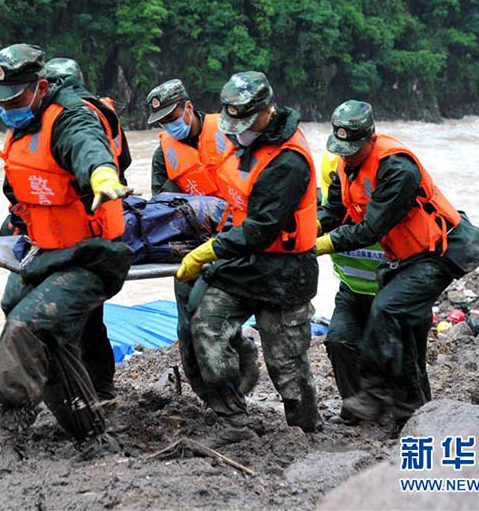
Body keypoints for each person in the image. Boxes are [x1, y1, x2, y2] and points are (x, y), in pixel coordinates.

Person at [0, 44, 134, 444]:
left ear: (40, 87)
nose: (6, 107)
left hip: (92, 254)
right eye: (1, 100)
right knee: (13, 305)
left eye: (13, 98)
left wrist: (101, 176)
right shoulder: (25, 122)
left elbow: (90, 149)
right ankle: (87, 422)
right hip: (47, 250)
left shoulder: (71, 119)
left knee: (26, 326)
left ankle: (11, 430)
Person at [316, 100, 479, 422]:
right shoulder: (342, 164)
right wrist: (310, 229)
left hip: (437, 252)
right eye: (341, 148)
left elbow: (371, 228)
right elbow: (335, 211)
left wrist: (321, 244)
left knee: (389, 310)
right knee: (378, 329)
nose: (347, 155)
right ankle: (392, 407)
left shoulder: (398, 168)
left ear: (371, 138)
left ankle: (385, 398)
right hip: (401, 260)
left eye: (353, 148)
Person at [175, 71, 322, 446]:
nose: (237, 129)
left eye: (244, 121)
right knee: (207, 324)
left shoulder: (289, 160)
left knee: (286, 361)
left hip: (285, 270)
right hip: (245, 263)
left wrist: (210, 250)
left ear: (267, 111)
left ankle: (306, 428)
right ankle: (232, 419)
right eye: (232, 121)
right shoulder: (241, 143)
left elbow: (262, 228)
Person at [318, 151, 385, 424]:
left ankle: (412, 417)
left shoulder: (389, 207)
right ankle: (357, 409)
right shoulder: (326, 214)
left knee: (402, 353)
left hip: (394, 293)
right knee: (338, 340)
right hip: (352, 293)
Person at [147, 79, 229, 196]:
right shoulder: (162, 156)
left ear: (189, 107)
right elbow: (160, 203)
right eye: (162, 122)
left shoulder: (228, 131)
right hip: (196, 212)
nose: (169, 125)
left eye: (172, 118)